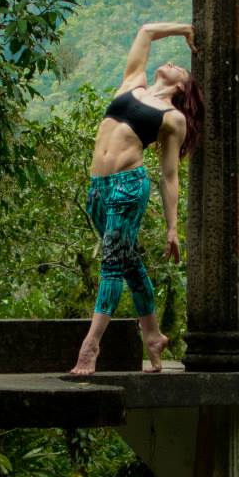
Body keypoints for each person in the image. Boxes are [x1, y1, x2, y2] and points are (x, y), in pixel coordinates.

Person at [68, 20, 204, 376]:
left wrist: (173, 228)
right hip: (97, 188)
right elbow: (145, 31)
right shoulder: (133, 83)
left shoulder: (173, 118)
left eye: (182, 70)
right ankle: (154, 336)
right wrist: (185, 29)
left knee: (112, 263)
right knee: (127, 262)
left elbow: (169, 175)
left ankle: (90, 346)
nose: (174, 64)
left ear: (182, 87)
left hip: (129, 186)